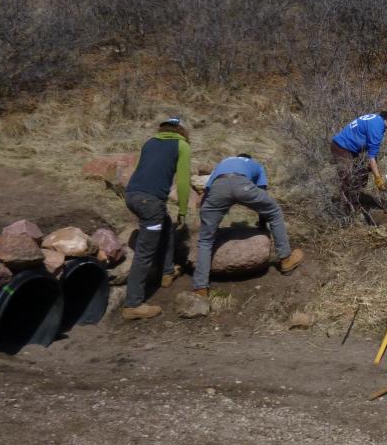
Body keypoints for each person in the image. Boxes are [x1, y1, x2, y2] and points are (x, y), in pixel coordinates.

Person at [192, 154, 304, 295]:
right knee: (274, 211)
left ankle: (200, 287)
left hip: (218, 187)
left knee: (205, 240)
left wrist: (207, 219)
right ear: (248, 158)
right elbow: (262, 194)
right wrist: (262, 226)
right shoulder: (255, 164)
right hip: (242, 185)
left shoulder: (222, 162)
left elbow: (208, 190)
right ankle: (286, 260)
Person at [121, 116, 192, 321]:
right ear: (182, 131)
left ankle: (167, 272)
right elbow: (183, 180)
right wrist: (184, 210)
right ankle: (132, 305)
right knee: (145, 252)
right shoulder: (182, 145)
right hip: (150, 202)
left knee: (167, 225)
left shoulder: (150, 142)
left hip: (132, 196)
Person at [330, 107, 387, 213]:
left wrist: (374, 170)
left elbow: (372, 154)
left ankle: (355, 198)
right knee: (347, 178)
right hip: (341, 147)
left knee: (362, 173)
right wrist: (378, 179)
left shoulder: (377, 120)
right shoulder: (377, 128)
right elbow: (371, 158)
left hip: (351, 150)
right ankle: (343, 211)